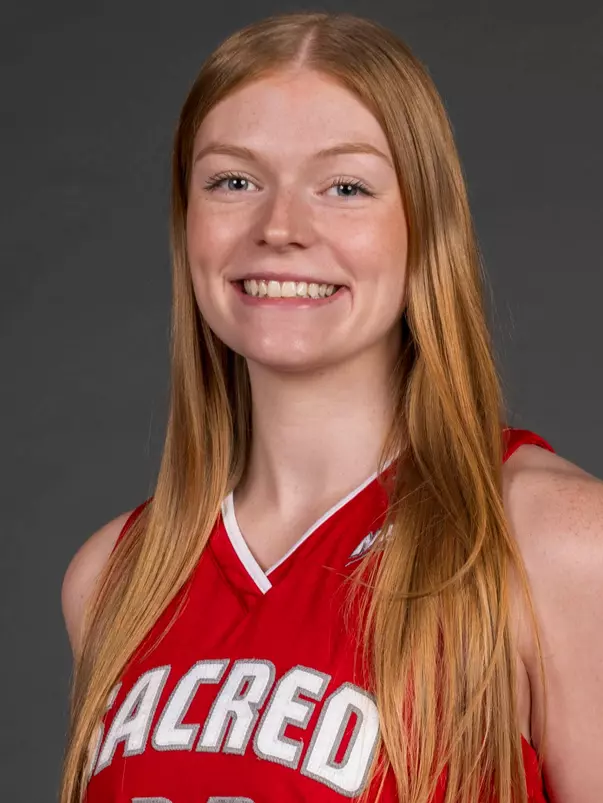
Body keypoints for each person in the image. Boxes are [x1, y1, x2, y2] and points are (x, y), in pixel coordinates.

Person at [59, 10, 603, 803]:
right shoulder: (113, 577)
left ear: (424, 225)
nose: (279, 227)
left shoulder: (555, 544)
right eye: (233, 181)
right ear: (187, 222)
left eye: (345, 187)